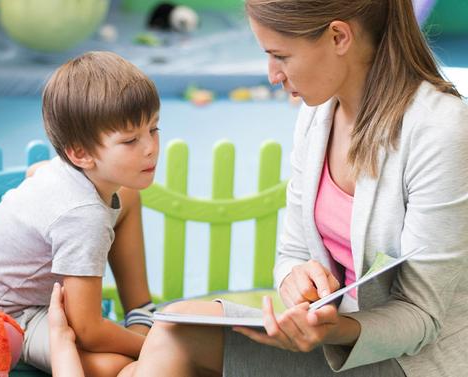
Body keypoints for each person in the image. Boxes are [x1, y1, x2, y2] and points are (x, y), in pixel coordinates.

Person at [50, 0, 468, 376]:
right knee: (174, 325)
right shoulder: (319, 113)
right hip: (332, 335)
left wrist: (331, 330)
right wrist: (297, 280)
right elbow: (293, 255)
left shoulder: (439, 131)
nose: (271, 75)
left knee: (173, 339)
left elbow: (421, 317)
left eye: (280, 55)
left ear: (339, 36)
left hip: (407, 361)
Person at [0, 51, 160, 377]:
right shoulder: (83, 217)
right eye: (130, 140)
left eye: (154, 129)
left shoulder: (69, 171)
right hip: (9, 312)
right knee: (116, 366)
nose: (151, 147)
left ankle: (141, 311)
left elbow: (34, 173)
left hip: (6, 278)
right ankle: (146, 336)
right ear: (80, 153)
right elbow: (88, 331)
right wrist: (153, 347)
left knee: (129, 197)